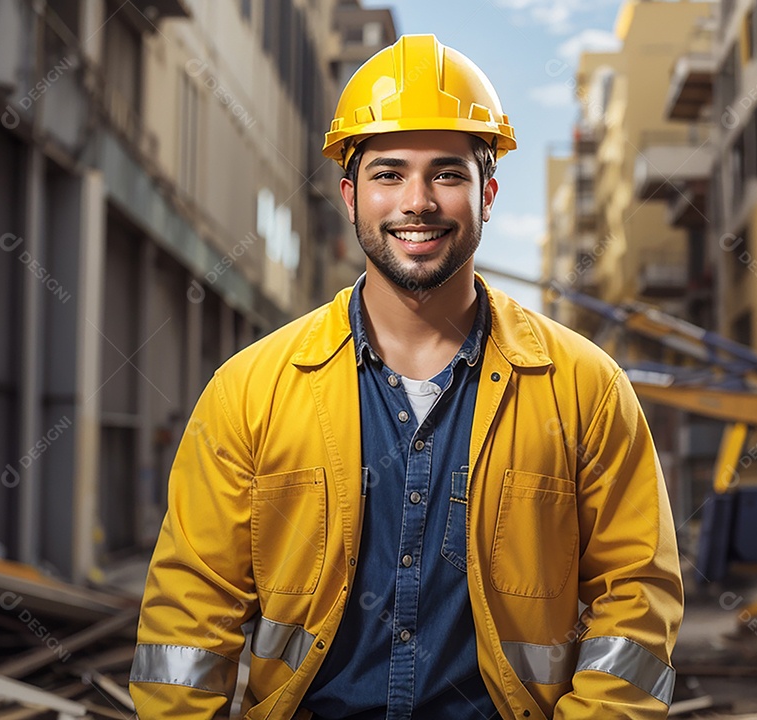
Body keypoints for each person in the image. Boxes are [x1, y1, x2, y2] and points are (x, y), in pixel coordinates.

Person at [128, 34, 684, 720]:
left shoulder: (585, 390)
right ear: (350, 195)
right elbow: (188, 615)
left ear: (488, 194)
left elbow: (636, 596)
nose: (417, 202)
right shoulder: (249, 391)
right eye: (388, 174)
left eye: (447, 174)